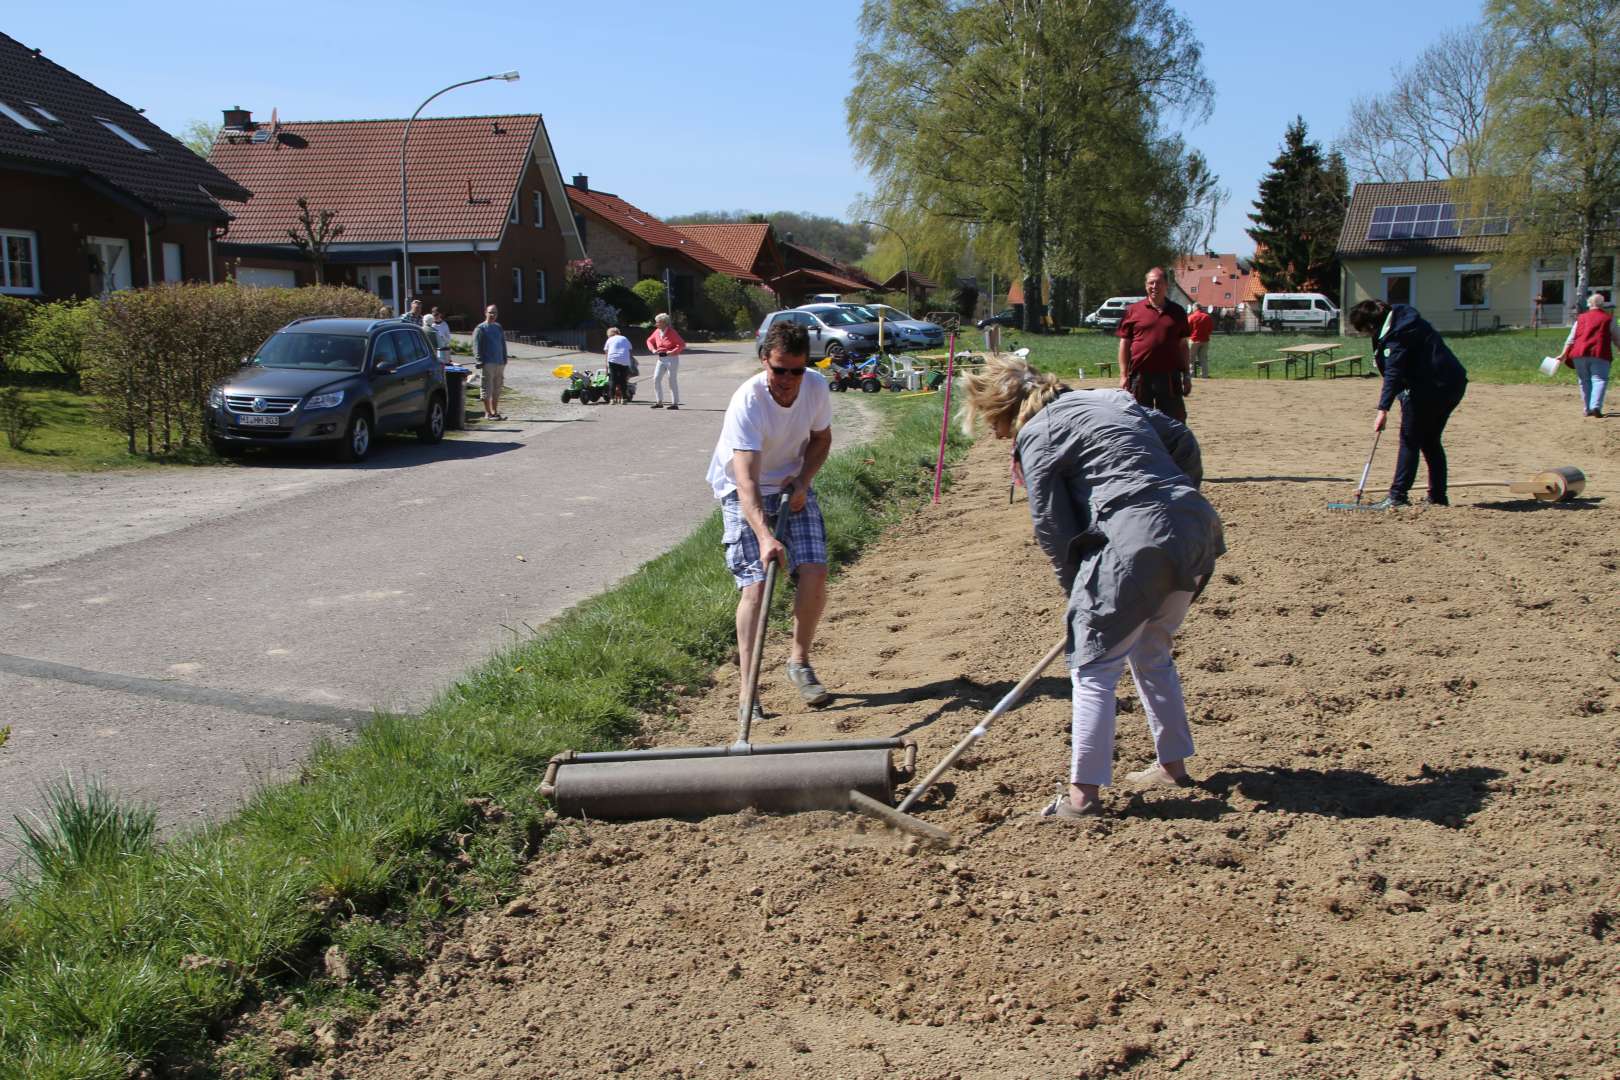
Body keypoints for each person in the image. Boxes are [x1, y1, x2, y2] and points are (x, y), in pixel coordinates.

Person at [960, 354, 1225, 817]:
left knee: (1092, 666)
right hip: (1196, 528)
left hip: (1137, 540)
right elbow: (1182, 439)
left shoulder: (1037, 435)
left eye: (991, 422)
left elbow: (1052, 528)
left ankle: (1082, 800)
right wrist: (1178, 497)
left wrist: (1080, 599)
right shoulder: (1113, 399)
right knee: (1151, 650)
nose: (996, 432)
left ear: (1002, 410)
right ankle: (1173, 766)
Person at [706, 320, 834, 717]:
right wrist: (764, 536)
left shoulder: (815, 387)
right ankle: (748, 690)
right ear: (765, 361)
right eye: (780, 369)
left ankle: (798, 662)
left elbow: (821, 439)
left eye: (797, 370)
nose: (789, 379)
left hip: (791, 483)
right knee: (757, 588)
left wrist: (803, 480)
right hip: (745, 489)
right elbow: (745, 480)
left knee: (814, 570)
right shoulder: (748, 401)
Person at [1347, 299, 1469, 508]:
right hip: (1451, 384)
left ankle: (1397, 496)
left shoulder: (1397, 335)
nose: (1365, 335)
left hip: (1432, 388)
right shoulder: (1401, 319)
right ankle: (1438, 496)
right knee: (1430, 440)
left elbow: (1393, 373)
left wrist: (1383, 410)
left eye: (1364, 331)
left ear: (1371, 325)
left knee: (1410, 438)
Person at [1117, 266, 1192, 421]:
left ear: (1166, 285)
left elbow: (1183, 345)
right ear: (1145, 286)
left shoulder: (1177, 312)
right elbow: (1124, 344)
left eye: (1158, 283)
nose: (1154, 287)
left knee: (1174, 422)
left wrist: (1186, 375)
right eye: (1151, 283)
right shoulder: (1133, 311)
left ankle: (1173, 446)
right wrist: (1123, 375)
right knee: (1139, 422)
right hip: (1140, 376)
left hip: (1170, 377)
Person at [1555, 291, 1617, 418]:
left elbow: (1571, 338)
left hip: (1579, 354)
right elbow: (1618, 337)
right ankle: (1596, 406)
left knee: (1584, 380)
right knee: (1599, 380)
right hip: (1600, 353)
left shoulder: (1581, 318)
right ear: (1602, 305)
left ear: (1589, 305)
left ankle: (1587, 408)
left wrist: (1563, 354)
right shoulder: (1609, 318)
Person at [472, 304, 507, 421]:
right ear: (485, 313)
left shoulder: (498, 327)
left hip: (499, 362)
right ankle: (488, 413)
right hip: (487, 363)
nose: (492, 315)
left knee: (497, 388)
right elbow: (476, 345)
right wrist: (479, 360)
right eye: (490, 312)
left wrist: (504, 358)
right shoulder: (480, 328)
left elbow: (502, 343)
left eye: (495, 313)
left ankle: (495, 412)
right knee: (487, 388)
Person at [647, 312, 686, 410]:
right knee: (656, 378)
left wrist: (672, 351)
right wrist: (653, 350)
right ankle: (659, 402)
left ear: (664, 322)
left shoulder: (672, 332)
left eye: (658, 322)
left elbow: (681, 344)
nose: (656, 324)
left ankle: (675, 403)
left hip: (672, 358)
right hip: (660, 358)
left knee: (671, 380)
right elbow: (649, 341)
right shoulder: (657, 331)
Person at [604, 327, 633, 404]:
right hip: (624, 360)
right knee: (623, 380)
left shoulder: (609, 340)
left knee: (613, 379)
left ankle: (612, 399)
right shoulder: (625, 338)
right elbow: (630, 350)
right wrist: (629, 363)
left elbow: (607, 354)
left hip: (613, 359)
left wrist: (606, 367)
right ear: (618, 332)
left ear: (610, 334)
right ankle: (624, 399)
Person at [1186, 303, 1214, 379]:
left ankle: (1191, 375)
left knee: (1191, 359)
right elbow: (1210, 329)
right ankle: (1204, 375)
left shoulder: (1191, 317)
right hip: (1205, 340)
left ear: (1195, 308)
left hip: (1194, 340)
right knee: (1203, 359)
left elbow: (1187, 329)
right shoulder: (1207, 317)